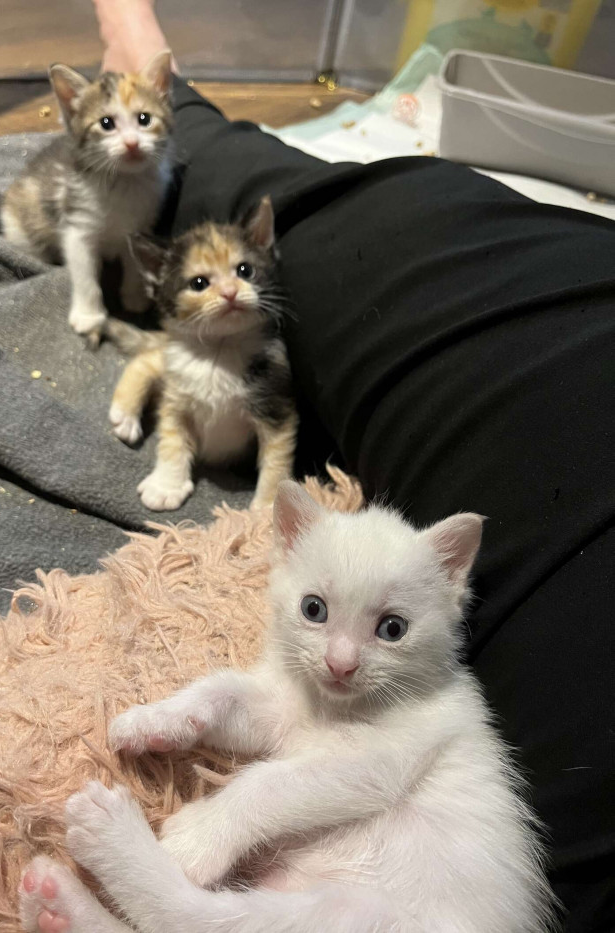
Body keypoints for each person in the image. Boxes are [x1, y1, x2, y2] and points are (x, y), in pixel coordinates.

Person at [92, 2, 615, 929]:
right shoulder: (323, 648)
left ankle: (158, 904)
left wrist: (231, 815)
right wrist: (197, 708)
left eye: (391, 629)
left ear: (453, 585)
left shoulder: (426, 707)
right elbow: (268, 706)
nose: (339, 659)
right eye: (316, 612)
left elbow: (347, 769)